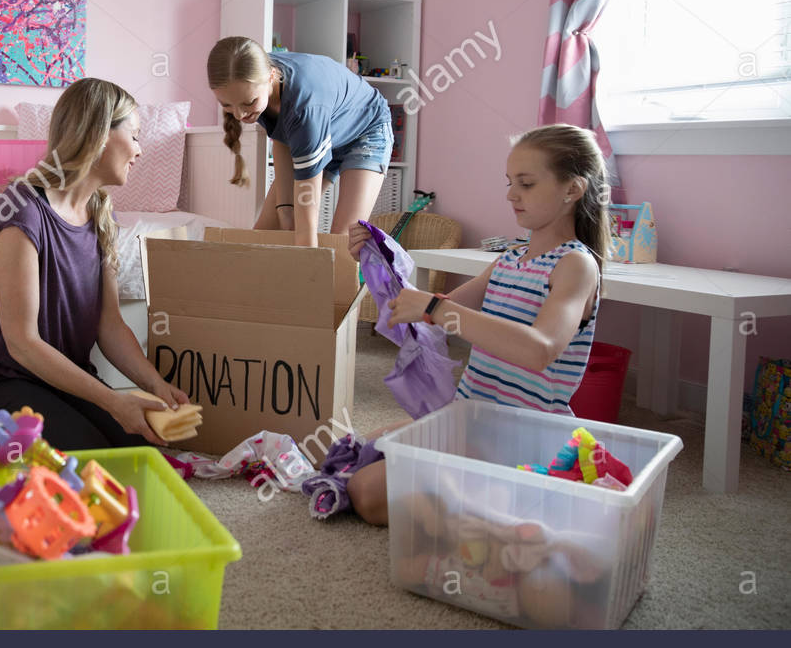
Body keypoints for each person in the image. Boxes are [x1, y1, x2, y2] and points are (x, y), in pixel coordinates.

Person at [342, 123, 611, 524]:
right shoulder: (509, 258)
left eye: (527, 183)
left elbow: (540, 350)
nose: (510, 194)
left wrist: (435, 308)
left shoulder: (576, 265)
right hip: (470, 414)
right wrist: (376, 260)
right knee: (353, 451)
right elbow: (422, 316)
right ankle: (483, 496)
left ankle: (499, 505)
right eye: (509, 182)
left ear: (572, 190)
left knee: (365, 492)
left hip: (518, 433)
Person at [0, 77, 189, 450]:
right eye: (135, 136)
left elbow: (110, 324)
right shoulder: (21, 210)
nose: (139, 150)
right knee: (89, 459)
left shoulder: (102, 215)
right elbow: (22, 343)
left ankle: (1, 440)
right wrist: (113, 402)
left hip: (55, 379)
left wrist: (154, 385)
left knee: (141, 447)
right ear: (100, 134)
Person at [207, 36, 393, 247]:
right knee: (264, 234)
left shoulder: (304, 107)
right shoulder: (250, 73)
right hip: (320, 130)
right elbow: (282, 139)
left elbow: (307, 218)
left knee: (342, 242)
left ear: (270, 77)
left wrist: (308, 260)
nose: (240, 115)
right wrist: (285, 211)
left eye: (249, 103)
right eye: (227, 106)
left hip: (365, 129)